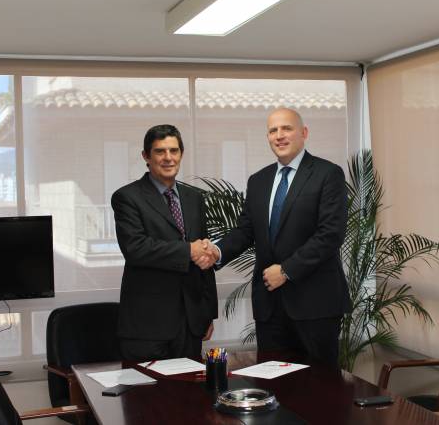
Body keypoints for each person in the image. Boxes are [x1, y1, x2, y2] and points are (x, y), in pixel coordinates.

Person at [213, 107, 350, 366]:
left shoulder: (327, 174)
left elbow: (330, 234)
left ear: (304, 133)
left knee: (319, 384)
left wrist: (286, 270)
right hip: (270, 307)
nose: (279, 135)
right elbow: (246, 230)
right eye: (273, 130)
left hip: (315, 306)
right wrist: (217, 252)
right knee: (273, 382)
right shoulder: (258, 181)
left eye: (286, 128)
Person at [111, 124, 218, 361]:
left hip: (190, 323)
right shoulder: (127, 197)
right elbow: (136, 248)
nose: (168, 158)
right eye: (160, 151)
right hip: (147, 326)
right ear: (146, 156)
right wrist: (188, 250)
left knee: (189, 385)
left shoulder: (195, 198)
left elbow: (205, 259)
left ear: (181, 154)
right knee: (146, 387)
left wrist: (208, 314)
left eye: (174, 150)